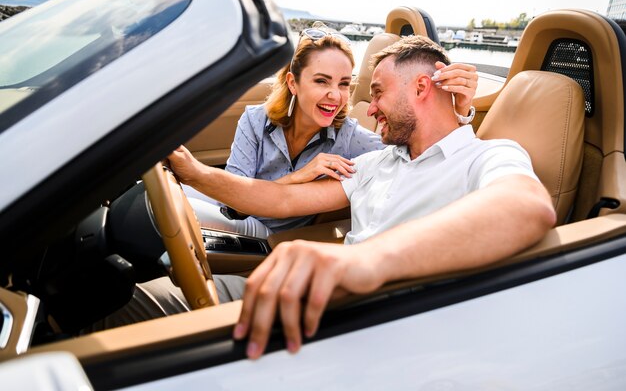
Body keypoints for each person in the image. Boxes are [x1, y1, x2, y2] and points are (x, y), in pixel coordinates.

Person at [164, 35, 556, 359]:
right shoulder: (376, 161)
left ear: (421, 88)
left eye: (377, 93)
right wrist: (192, 172)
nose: (369, 108)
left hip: (371, 327)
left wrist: (364, 260)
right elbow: (279, 202)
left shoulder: (488, 155)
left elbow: (528, 205)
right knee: (156, 297)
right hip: (316, 299)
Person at [184, 24, 479, 238]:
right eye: (322, 81)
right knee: (161, 193)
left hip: (261, 233)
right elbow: (234, 200)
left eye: (343, 84)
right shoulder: (255, 120)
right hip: (234, 210)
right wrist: (299, 177)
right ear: (292, 83)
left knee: (165, 208)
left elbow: (420, 153)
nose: (335, 96)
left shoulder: (357, 143)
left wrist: (459, 114)